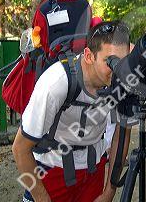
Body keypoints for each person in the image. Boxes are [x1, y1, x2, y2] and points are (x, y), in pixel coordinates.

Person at [12, 21, 133, 202]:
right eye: (111, 62)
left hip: (93, 170)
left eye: (123, 61)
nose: (118, 70)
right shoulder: (56, 83)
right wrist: (42, 198)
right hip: (51, 170)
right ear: (89, 56)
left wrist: (109, 191)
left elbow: (120, 137)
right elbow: (20, 149)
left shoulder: (123, 81)